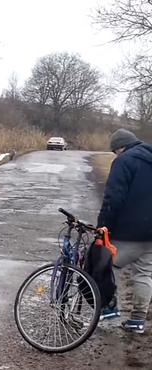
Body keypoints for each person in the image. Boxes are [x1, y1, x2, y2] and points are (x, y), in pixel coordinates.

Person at [97, 128, 152, 334]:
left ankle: (109, 309)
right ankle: (137, 321)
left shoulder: (124, 161)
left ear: (120, 147)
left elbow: (114, 196)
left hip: (129, 232)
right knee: (144, 274)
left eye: (114, 152)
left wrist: (103, 225)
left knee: (102, 265)